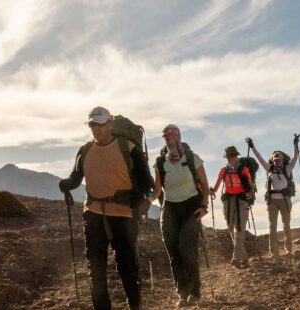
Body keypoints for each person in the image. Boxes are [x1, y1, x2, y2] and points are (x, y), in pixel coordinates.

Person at [58, 106, 152, 310]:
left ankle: (134, 304)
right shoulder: (85, 150)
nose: (96, 129)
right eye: (93, 125)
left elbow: (147, 183)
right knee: (95, 267)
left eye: (100, 124)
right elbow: (76, 177)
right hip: (92, 213)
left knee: (126, 264)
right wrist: (67, 183)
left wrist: (147, 200)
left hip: (124, 213)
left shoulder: (128, 147)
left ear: (110, 124)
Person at [150, 124, 209, 307]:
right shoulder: (161, 162)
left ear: (179, 137)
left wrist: (204, 206)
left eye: (173, 136)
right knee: (174, 251)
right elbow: (158, 191)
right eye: (167, 137)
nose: (170, 140)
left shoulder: (192, 158)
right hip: (170, 208)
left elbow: (205, 188)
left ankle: (194, 291)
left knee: (186, 247)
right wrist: (144, 197)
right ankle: (182, 294)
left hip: (191, 205)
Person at [246, 136, 298, 258]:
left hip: (285, 201)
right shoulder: (270, 169)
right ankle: (273, 252)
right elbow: (259, 158)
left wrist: (295, 144)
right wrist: (252, 146)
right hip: (272, 201)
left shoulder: (287, 169)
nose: (277, 162)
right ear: (273, 161)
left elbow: (295, 158)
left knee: (286, 225)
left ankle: (288, 250)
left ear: (283, 160)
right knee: (272, 227)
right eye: (275, 161)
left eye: (279, 160)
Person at [210, 146, 254, 268]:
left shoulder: (244, 169)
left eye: (233, 157)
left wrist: (250, 193)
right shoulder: (223, 170)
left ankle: (236, 258)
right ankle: (243, 255)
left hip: (242, 199)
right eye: (229, 157)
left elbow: (251, 186)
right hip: (228, 200)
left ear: (236, 156)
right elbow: (216, 186)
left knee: (239, 227)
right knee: (231, 227)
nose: (231, 160)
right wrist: (211, 191)